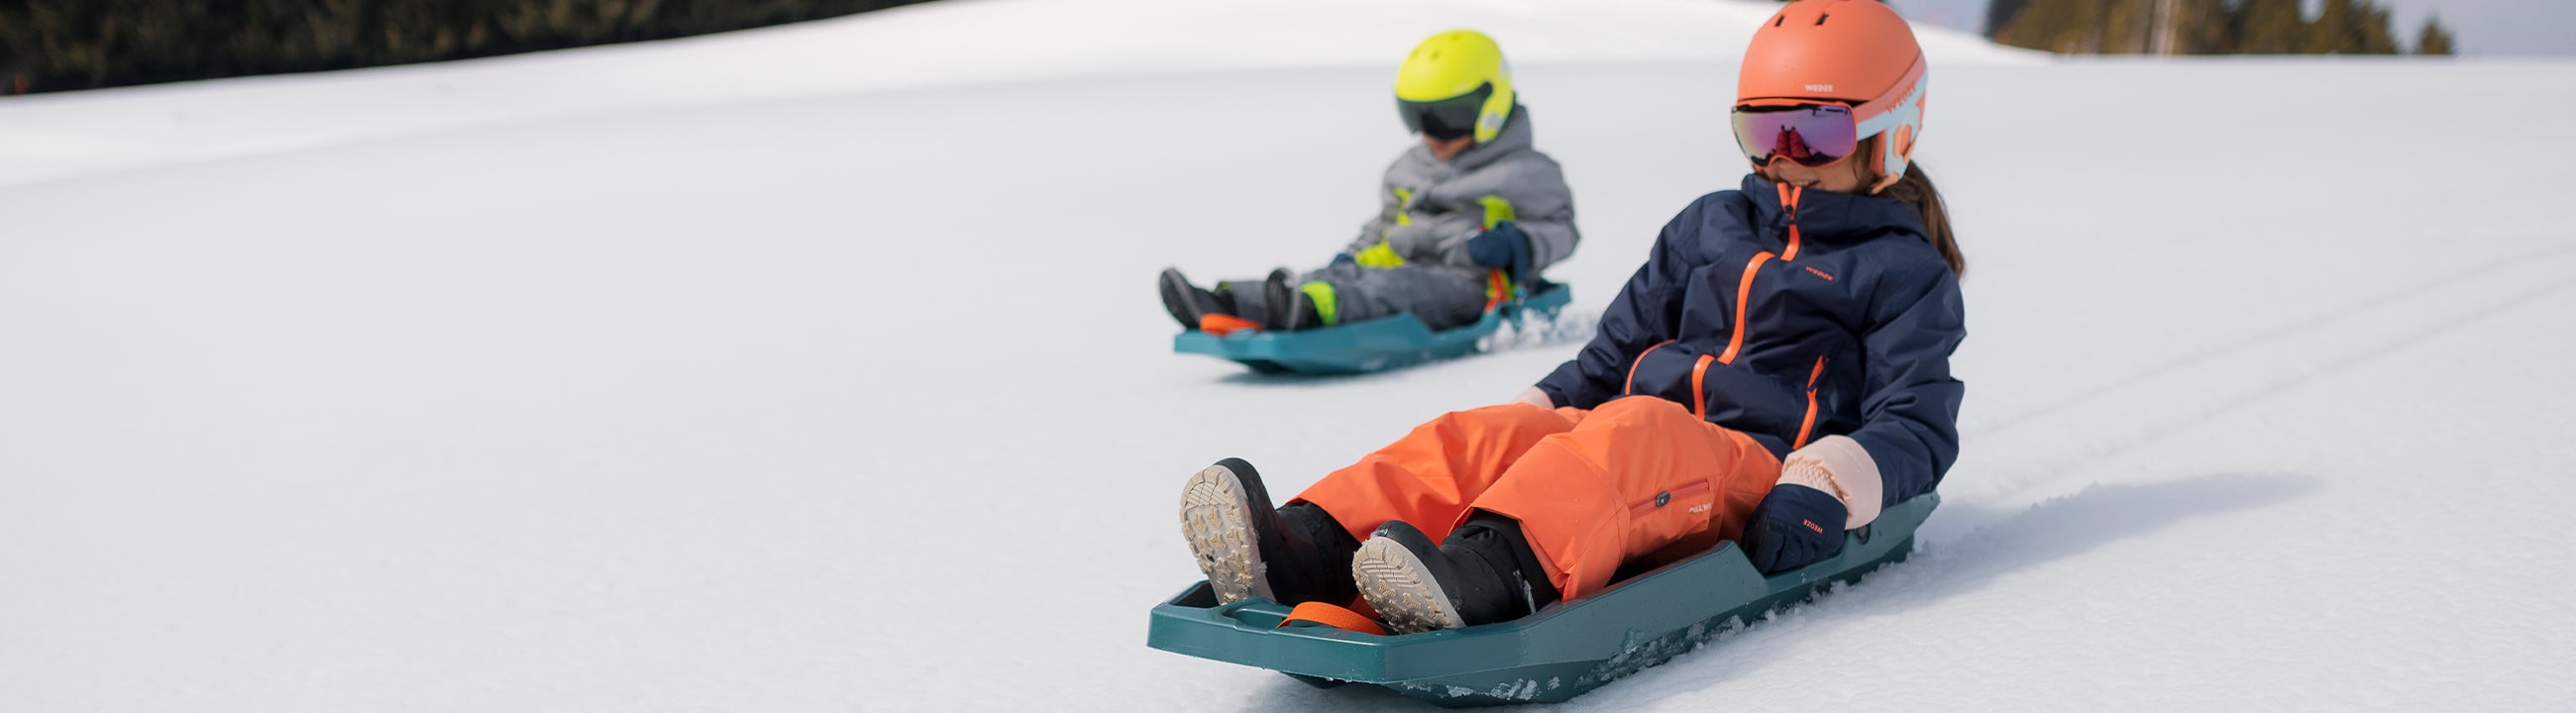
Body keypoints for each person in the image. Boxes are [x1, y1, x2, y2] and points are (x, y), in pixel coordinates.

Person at [1176, 0, 1966, 635]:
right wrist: (1540, 409)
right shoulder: (1709, 223)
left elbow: (1916, 425)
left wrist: (1825, 484)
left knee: (1638, 432)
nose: (1779, 156)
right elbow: (1613, 351)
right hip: (1636, 448)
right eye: (1758, 129)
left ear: (1890, 137)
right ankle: (1309, 546)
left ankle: (1495, 571)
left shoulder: (1905, 272)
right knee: (1491, 432)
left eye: (1812, 132)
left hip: (1756, 472)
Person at [1158, 30, 1578, 334]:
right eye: (1418, 118)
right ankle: (1231, 302)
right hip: (1397, 259)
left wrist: (1518, 243)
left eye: (1446, 118)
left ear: (1490, 106)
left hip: (1467, 284)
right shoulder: (1410, 167)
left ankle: (1305, 310)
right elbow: (1385, 225)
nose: (1430, 134)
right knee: (1339, 274)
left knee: (1390, 288)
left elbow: (1562, 230)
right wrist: (1351, 254)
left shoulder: (1527, 171)